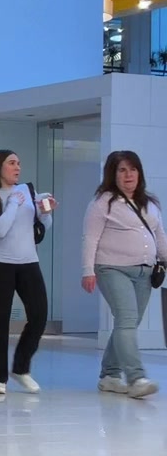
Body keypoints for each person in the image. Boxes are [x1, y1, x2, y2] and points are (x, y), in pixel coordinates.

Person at [82, 150, 167, 398]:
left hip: (145, 271)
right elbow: (90, 238)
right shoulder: (103, 202)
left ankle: (109, 375)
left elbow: (160, 236)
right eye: (122, 170)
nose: (129, 175)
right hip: (112, 268)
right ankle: (136, 378)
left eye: (133, 169)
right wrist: (87, 270)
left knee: (127, 323)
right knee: (127, 320)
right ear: (113, 174)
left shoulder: (150, 203)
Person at [0, 150, 54, 396]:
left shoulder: (27, 192)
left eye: (19, 163)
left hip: (29, 262)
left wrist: (45, 212)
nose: (17, 167)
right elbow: (1, 229)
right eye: (12, 163)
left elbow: (42, 226)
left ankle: (21, 367)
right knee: (0, 320)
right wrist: (14, 204)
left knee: (39, 316)